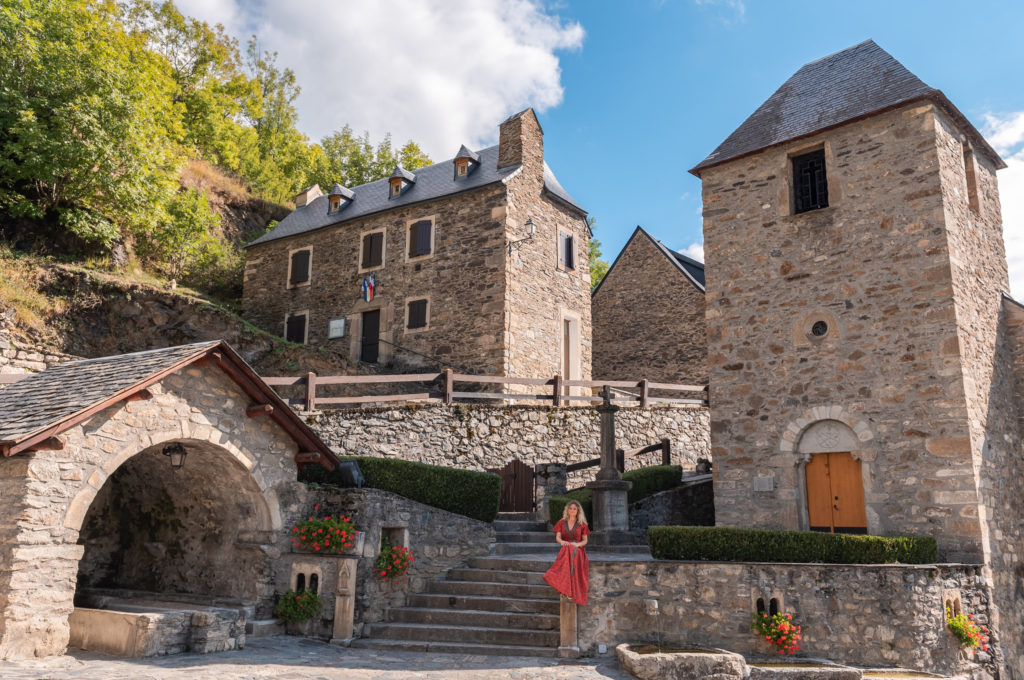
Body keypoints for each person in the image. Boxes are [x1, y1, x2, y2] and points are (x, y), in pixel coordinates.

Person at [543, 500, 590, 605]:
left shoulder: (582, 524)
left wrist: (577, 545)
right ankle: (566, 588)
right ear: (567, 510)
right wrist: (563, 542)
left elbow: (585, 541)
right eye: (570, 508)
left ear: (578, 511)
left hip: (578, 550)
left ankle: (569, 589)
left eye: (574, 509)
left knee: (571, 549)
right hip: (565, 548)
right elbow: (558, 538)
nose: (572, 510)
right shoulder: (561, 522)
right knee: (567, 548)